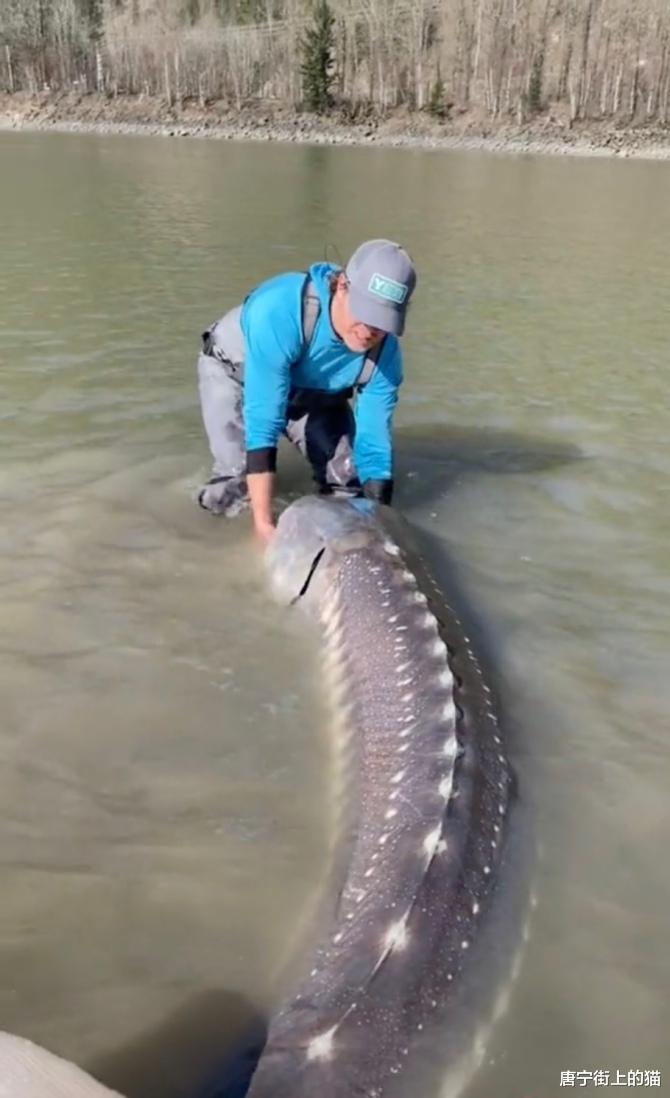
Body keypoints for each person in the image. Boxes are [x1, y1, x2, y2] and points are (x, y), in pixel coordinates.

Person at [196, 238, 417, 544]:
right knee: (234, 489)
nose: (369, 331)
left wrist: (377, 527)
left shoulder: (385, 356)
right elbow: (263, 424)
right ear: (342, 286)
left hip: (313, 391)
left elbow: (374, 445)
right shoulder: (279, 310)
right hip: (238, 374)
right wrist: (263, 526)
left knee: (349, 484)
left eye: (382, 322)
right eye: (365, 314)